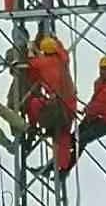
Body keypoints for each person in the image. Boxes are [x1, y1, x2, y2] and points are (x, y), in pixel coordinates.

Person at [21, 36, 77, 172]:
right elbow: (61, 49)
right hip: (70, 104)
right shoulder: (64, 59)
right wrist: (55, 38)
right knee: (63, 135)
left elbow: (31, 61)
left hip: (57, 105)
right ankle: (63, 167)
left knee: (34, 104)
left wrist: (30, 48)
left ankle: (33, 128)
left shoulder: (42, 62)